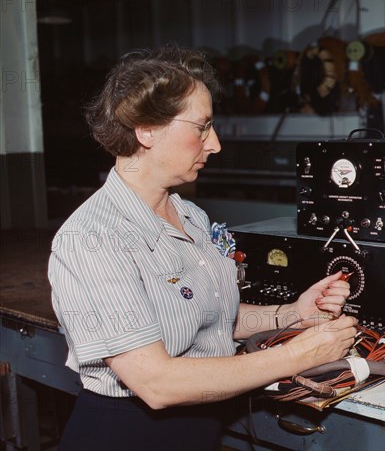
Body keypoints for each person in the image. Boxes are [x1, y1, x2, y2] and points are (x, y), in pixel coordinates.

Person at [48, 44, 358, 451]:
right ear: (146, 130)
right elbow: (156, 383)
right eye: (201, 127)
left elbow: (205, 321)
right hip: (128, 435)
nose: (215, 144)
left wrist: (294, 314)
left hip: (199, 431)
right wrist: (299, 355)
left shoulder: (190, 215)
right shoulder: (93, 239)